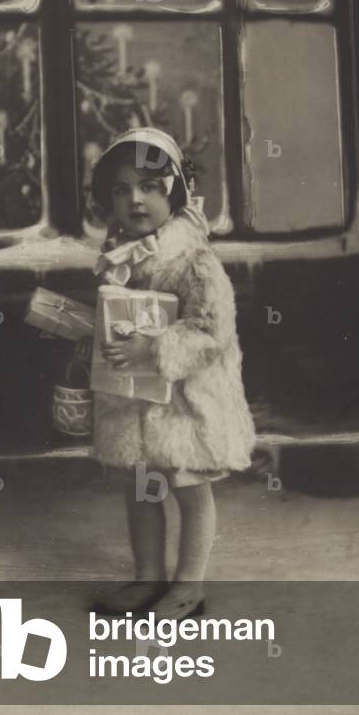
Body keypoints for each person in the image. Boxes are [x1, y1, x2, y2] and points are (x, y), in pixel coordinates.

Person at [89, 127, 256, 621]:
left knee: (188, 487)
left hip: (185, 401)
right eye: (122, 189)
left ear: (174, 193)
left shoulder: (194, 259)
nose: (135, 200)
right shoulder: (119, 256)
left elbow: (211, 329)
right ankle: (148, 578)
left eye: (149, 187)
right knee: (140, 485)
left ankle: (189, 587)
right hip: (134, 398)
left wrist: (153, 347)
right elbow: (113, 316)